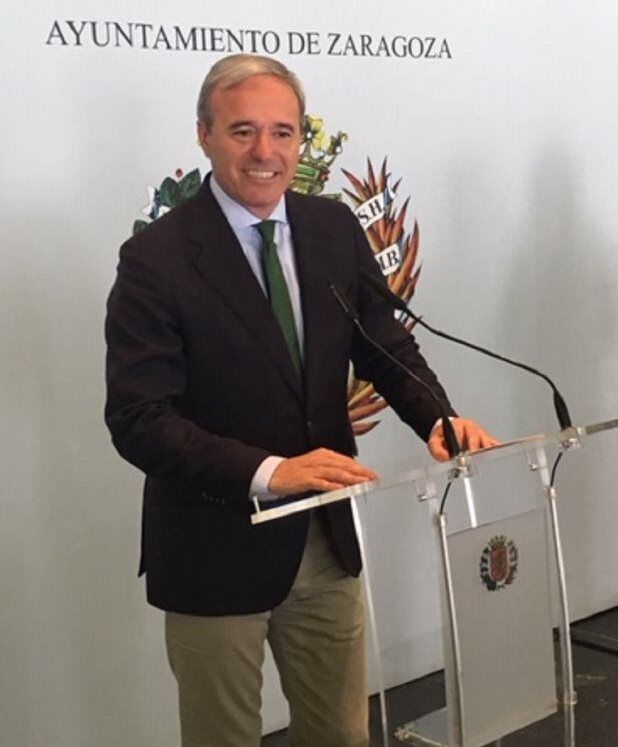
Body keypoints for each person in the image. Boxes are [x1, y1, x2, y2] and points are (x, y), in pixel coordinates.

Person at [104, 53, 496, 747]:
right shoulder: (156, 259)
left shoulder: (331, 229)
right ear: (204, 134)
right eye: (242, 131)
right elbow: (138, 419)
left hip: (324, 538)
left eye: (283, 133)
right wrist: (268, 471)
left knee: (340, 735)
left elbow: (384, 345)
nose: (265, 153)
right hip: (215, 544)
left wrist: (436, 416)